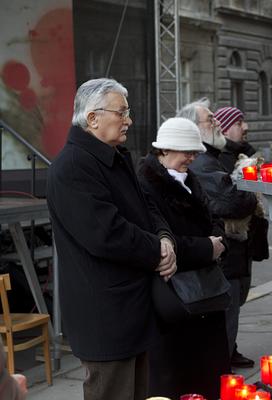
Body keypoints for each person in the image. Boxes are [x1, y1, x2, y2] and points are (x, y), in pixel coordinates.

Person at [47, 78, 177, 400]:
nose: (129, 120)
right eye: (122, 113)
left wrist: (164, 238)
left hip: (131, 310)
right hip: (106, 316)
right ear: (93, 118)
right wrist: (158, 250)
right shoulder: (73, 166)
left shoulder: (114, 156)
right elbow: (107, 234)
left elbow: (147, 206)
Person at [137, 117, 231, 399]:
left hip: (205, 297)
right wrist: (208, 248)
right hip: (175, 302)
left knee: (208, 376)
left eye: (194, 152)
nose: (192, 157)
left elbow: (214, 220)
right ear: (164, 150)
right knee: (177, 379)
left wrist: (217, 242)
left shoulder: (189, 180)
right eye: (186, 151)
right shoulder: (147, 185)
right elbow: (160, 241)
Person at [177, 99, 258, 368]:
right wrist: (251, 191)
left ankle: (224, 359)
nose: (217, 125)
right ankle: (222, 373)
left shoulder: (209, 158)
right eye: (211, 121)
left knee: (228, 318)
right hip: (222, 256)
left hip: (229, 254)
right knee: (224, 321)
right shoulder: (202, 163)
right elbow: (232, 203)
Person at [213, 106, 257, 174]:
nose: (246, 127)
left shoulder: (244, 151)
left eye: (244, 122)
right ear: (224, 131)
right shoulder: (220, 158)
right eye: (239, 124)